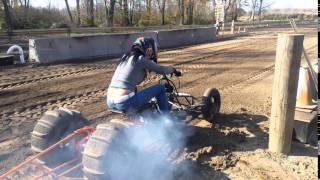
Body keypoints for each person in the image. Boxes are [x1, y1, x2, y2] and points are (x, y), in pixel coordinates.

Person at [107, 37, 181, 115]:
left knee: (137, 91)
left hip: (110, 101)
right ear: (148, 50)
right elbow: (161, 69)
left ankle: (143, 116)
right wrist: (173, 70)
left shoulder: (125, 57)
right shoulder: (141, 59)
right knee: (160, 88)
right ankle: (166, 118)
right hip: (124, 102)